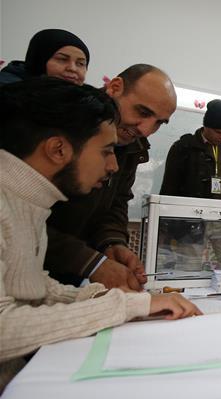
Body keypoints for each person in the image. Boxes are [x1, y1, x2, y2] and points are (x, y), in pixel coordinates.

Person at [0, 78, 199, 393]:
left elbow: (30, 287)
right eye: (106, 151)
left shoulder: (31, 201)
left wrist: (116, 298)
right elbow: (4, 328)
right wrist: (126, 306)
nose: (113, 165)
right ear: (58, 149)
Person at [45, 64, 178, 289]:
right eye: (143, 112)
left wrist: (112, 243)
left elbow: (115, 202)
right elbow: (23, 219)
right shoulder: (62, 121)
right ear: (115, 87)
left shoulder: (132, 145)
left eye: (158, 123)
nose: (145, 130)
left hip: (70, 277)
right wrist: (90, 262)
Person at [160, 99, 221, 200]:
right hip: (189, 210)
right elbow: (169, 186)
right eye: (218, 132)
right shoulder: (183, 147)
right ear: (206, 127)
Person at [0, 29, 90, 86]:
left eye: (80, 64)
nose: (72, 68)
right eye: (62, 59)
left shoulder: (82, 98)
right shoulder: (8, 93)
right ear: (39, 60)